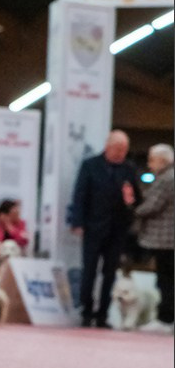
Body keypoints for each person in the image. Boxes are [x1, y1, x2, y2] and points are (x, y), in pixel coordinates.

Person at [70, 129, 142, 328]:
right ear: (108, 146)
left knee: (110, 274)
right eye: (117, 149)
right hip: (93, 227)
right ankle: (86, 311)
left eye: (124, 150)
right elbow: (80, 195)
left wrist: (131, 203)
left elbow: (137, 198)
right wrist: (78, 222)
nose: (120, 153)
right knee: (89, 271)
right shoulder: (90, 165)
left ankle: (103, 314)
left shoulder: (129, 169)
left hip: (118, 230)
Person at [134, 144, 174, 334]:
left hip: (166, 240)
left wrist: (131, 210)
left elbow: (152, 206)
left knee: (165, 280)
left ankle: (165, 319)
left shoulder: (167, 178)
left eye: (152, 159)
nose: (149, 165)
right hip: (168, 240)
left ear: (162, 160)